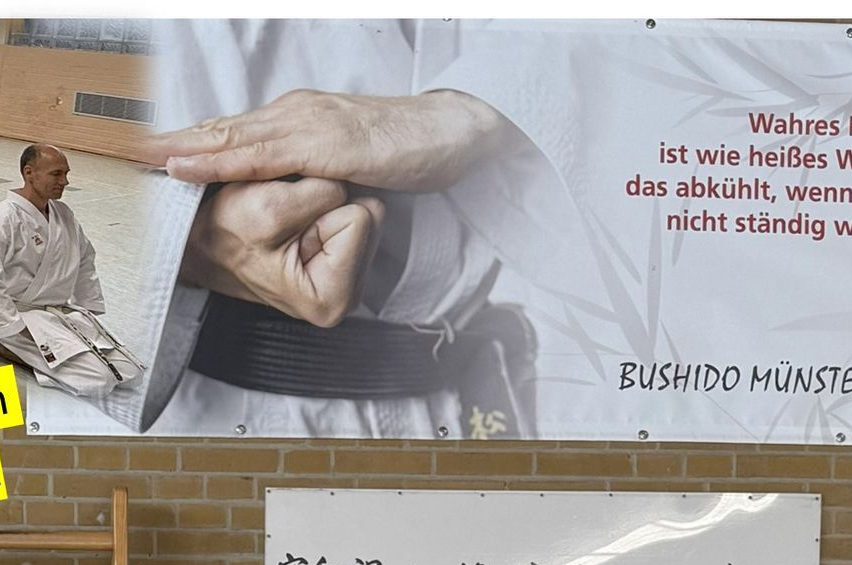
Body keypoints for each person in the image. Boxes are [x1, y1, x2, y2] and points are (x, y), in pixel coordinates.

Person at [94, 20, 572, 438]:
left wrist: (475, 109)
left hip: (468, 393)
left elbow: (604, 35)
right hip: (210, 413)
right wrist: (185, 235)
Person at [0, 144, 144, 396]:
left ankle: (29, 348)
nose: (65, 181)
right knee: (99, 381)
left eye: (66, 174)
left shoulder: (63, 214)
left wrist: (87, 309)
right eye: (56, 174)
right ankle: (0, 343)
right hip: (22, 318)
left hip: (60, 313)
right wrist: (11, 327)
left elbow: (85, 259)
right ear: (29, 173)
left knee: (131, 373)